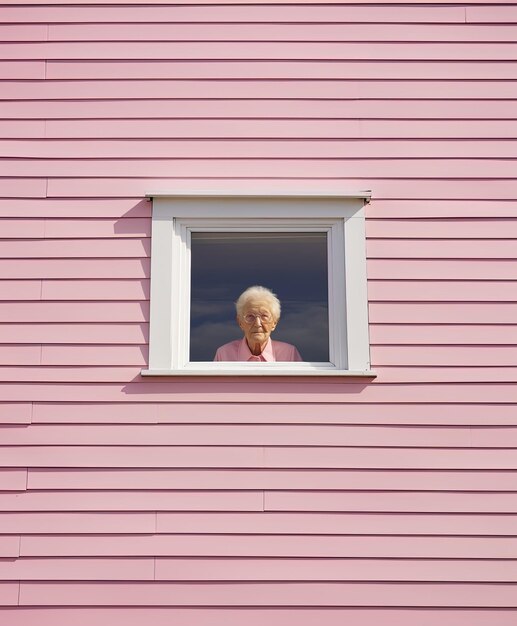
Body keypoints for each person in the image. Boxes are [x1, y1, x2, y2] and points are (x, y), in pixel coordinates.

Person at [214, 285, 302, 362]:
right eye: (250, 316)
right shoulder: (224, 354)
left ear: (274, 323)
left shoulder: (289, 354)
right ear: (240, 322)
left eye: (264, 316)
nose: (257, 323)